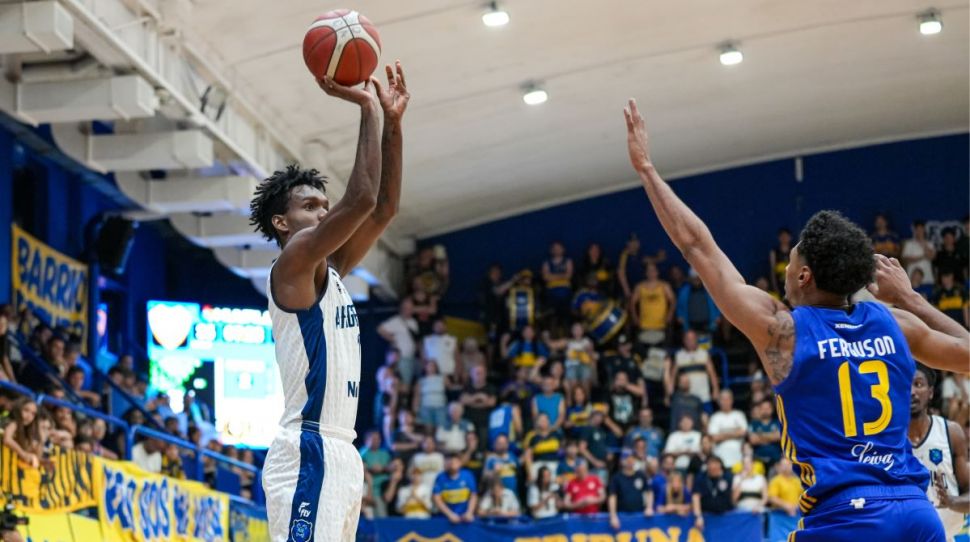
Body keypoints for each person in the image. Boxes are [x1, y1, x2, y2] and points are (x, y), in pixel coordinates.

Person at [625, 97, 969, 540]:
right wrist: (913, 299)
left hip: (847, 517)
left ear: (804, 276)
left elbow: (697, 247)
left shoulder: (784, 331)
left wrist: (647, 170)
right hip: (915, 514)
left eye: (789, 263)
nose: (784, 271)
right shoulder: (894, 322)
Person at [252, 60, 409, 542]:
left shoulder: (331, 269)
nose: (322, 213)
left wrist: (393, 123)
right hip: (308, 447)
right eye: (310, 206)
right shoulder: (293, 263)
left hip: (342, 452)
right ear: (282, 223)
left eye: (325, 205)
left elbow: (384, 208)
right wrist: (366, 107)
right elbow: (360, 202)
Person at [909, 364, 969, 539]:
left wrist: (951, 501)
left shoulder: (951, 432)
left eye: (918, 384)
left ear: (931, 392)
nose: (912, 392)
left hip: (946, 535)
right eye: (906, 385)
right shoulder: (891, 438)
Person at [665, 330, 719, 411]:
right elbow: (672, 378)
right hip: (686, 399)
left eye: (692, 339)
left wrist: (716, 389)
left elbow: (712, 374)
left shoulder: (704, 354)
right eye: (688, 339)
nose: (690, 341)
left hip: (704, 397)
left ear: (696, 339)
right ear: (684, 340)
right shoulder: (679, 356)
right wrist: (668, 395)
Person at [630, 261, 675, 348]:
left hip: (661, 324)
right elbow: (632, 303)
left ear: (657, 272)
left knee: (661, 351)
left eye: (653, 270)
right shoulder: (639, 287)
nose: (651, 273)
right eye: (649, 271)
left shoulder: (664, 286)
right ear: (646, 273)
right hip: (644, 324)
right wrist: (635, 317)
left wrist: (670, 314)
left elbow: (673, 301)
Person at [378, 300, 420, 388]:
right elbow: (380, 329)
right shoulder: (396, 321)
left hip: (412, 357)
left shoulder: (414, 322)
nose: (408, 310)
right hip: (402, 358)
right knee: (404, 384)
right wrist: (392, 339)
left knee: (411, 383)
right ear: (402, 308)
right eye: (406, 308)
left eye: (411, 308)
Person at [608, 450, 651, 530]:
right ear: (621, 461)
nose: (630, 461)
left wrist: (649, 507)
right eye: (627, 459)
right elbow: (612, 497)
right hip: (622, 516)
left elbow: (649, 492)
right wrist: (613, 516)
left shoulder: (641, 475)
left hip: (640, 515)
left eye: (632, 458)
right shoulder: (616, 478)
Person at [707, 389, 748, 470]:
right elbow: (714, 437)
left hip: (738, 457)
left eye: (727, 399)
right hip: (720, 458)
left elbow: (743, 433)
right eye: (723, 399)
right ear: (719, 402)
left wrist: (722, 434)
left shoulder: (739, 415)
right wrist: (735, 432)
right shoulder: (715, 417)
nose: (725, 402)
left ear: (732, 400)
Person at [433, 453, 477, 524]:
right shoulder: (441, 477)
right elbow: (436, 498)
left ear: (460, 463)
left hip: (465, 517)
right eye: (450, 462)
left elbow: (473, 496)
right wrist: (450, 514)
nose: (452, 464)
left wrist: (469, 512)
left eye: (455, 462)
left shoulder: (467, 475)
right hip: (446, 518)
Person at [412, 360, 448, 429]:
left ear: (436, 367)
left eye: (433, 365)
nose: (431, 367)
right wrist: (415, 408)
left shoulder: (442, 378)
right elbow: (417, 396)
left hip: (440, 407)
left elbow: (450, 388)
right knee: (428, 428)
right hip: (426, 407)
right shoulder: (421, 381)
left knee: (441, 428)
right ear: (425, 367)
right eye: (429, 365)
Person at [901, 220, 936, 286]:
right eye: (917, 229)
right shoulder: (909, 243)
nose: (919, 231)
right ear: (914, 231)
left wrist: (923, 244)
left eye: (921, 229)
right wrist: (922, 256)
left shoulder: (929, 243)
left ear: (924, 230)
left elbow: (932, 257)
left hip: (927, 277)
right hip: (912, 278)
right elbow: (906, 260)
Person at [770, 228, 793, 294]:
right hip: (779, 282)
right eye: (782, 236)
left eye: (786, 236)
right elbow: (772, 270)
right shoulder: (774, 252)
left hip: (791, 282)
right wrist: (774, 286)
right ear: (779, 238)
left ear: (790, 237)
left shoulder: (794, 251)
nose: (784, 238)